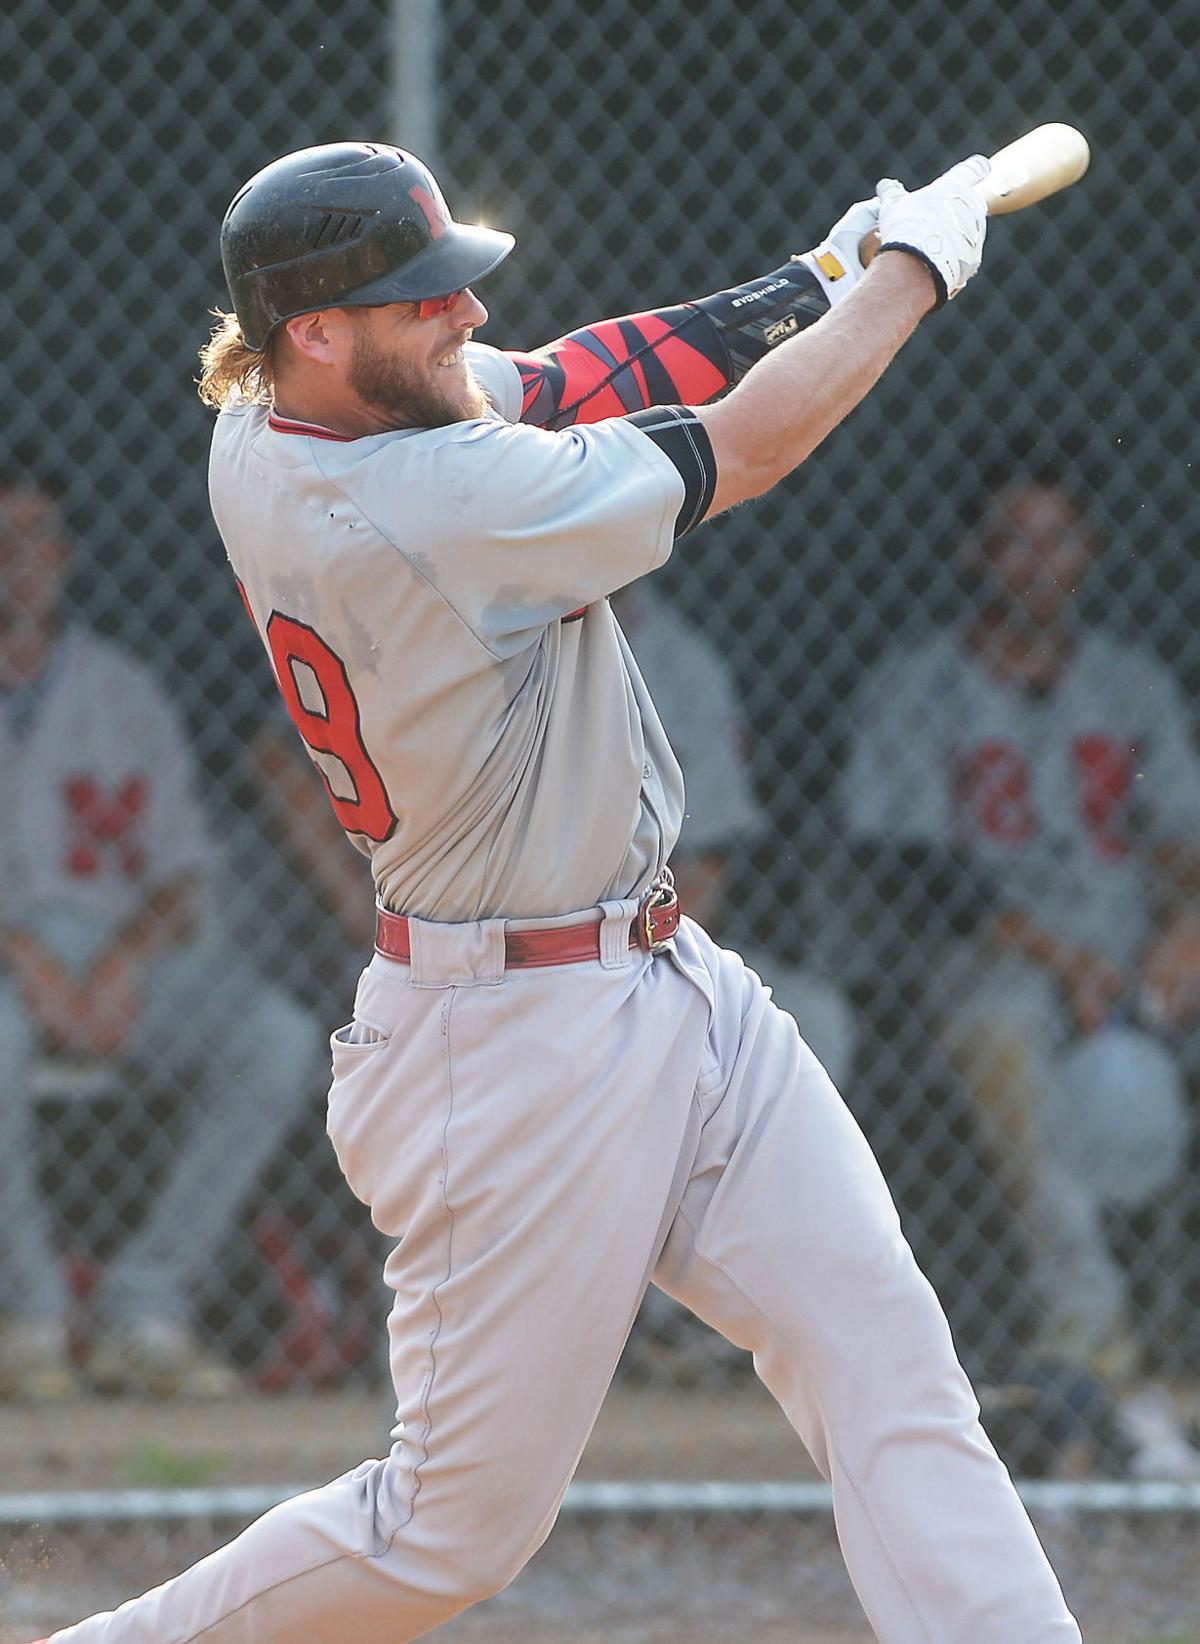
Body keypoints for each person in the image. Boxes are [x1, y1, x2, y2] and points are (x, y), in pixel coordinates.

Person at [37, 141, 1083, 1644]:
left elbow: (568, 370)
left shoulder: (281, 417)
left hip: (669, 981)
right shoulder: (420, 502)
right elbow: (746, 445)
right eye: (422, 300)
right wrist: (914, 277)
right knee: (444, 1535)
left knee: (886, 1361)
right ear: (318, 332)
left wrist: (813, 280)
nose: (462, 318)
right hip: (509, 1041)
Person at [839, 449, 1200, 1478]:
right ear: (975, 555)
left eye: (1057, 540)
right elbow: (909, 875)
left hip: (1137, 954)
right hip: (992, 960)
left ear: (1086, 553)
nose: (1036, 564)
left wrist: (1187, 925)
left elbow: (1182, 836)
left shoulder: (1130, 683)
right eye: (1013, 541)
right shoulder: (920, 687)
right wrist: (1062, 958)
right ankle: (1102, 1343)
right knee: (1005, 1032)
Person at [0, 460, 323, 1402]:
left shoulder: (123, 691)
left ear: (66, 558)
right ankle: (33, 1316)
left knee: (275, 1036)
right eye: (3, 540)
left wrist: (118, 967)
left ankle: (145, 1305)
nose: (22, 561)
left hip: (115, 962)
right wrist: (27, 960)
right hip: (10, 966)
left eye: (39, 539)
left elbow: (182, 878)